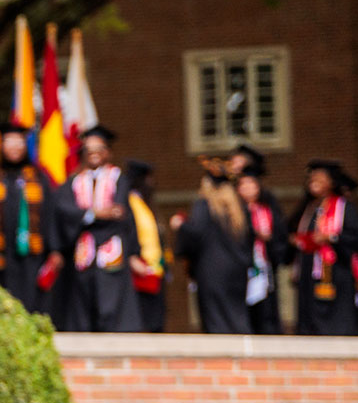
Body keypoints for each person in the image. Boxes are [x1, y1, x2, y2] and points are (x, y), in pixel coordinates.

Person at [50, 125, 143, 333]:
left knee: (111, 302)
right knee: (83, 303)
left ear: (108, 152)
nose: (94, 154)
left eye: (99, 149)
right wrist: (97, 213)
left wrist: (86, 215)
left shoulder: (118, 178)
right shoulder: (74, 182)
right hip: (84, 248)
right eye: (89, 149)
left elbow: (121, 213)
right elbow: (64, 211)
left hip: (111, 247)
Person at [172, 155, 255, 334]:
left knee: (216, 319)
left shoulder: (204, 204)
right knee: (237, 315)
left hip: (212, 271)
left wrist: (181, 226)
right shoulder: (239, 209)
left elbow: (196, 233)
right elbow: (249, 240)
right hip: (237, 272)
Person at [290, 157, 358, 335]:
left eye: (320, 177)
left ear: (332, 181)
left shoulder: (344, 207)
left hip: (336, 270)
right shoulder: (308, 207)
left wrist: (332, 237)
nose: (314, 181)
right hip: (309, 271)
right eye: (312, 177)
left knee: (336, 317)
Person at [0, 126, 53, 314]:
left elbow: (49, 213)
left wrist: (52, 248)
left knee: (30, 301)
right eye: (10, 141)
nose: (15, 147)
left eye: (19, 142)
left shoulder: (38, 177)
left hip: (31, 253)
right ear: (2, 146)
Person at [232, 151, 290, 334]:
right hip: (242, 267)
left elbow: (281, 237)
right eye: (243, 184)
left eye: (252, 183)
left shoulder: (268, 209)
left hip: (264, 265)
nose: (248, 188)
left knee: (266, 307)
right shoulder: (235, 211)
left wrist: (269, 238)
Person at [124, 159, 167, 332]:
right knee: (143, 320)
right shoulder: (130, 203)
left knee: (155, 319)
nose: (152, 183)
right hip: (139, 269)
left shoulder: (143, 203)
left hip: (152, 269)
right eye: (148, 178)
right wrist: (131, 257)